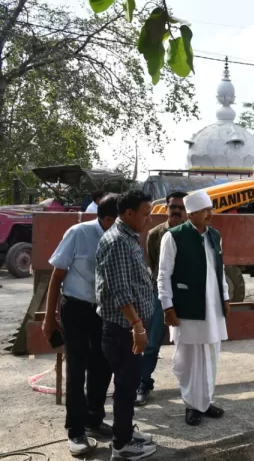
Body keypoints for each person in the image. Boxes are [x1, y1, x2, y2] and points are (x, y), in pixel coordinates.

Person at [42, 194, 119, 456]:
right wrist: (49, 317)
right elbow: (57, 276)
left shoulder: (120, 239)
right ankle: (75, 430)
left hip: (104, 311)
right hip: (75, 309)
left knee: (103, 365)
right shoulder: (78, 233)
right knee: (77, 370)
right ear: (108, 219)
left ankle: (93, 419)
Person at [158, 191, 230, 426]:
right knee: (188, 359)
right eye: (205, 210)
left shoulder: (215, 236)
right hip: (187, 307)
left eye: (211, 209)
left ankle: (205, 402)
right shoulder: (173, 237)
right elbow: (163, 275)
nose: (211, 214)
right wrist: (167, 306)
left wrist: (225, 297)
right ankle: (191, 405)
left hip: (212, 307)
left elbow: (220, 270)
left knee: (211, 355)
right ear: (192, 213)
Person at [96, 190, 156, 459]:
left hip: (129, 327)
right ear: (129, 213)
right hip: (123, 330)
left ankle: (126, 432)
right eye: (145, 214)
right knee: (125, 385)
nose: (149, 219)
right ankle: (122, 445)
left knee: (128, 384)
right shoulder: (118, 241)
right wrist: (137, 326)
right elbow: (120, 290)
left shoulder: (128, 238)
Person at [135, 191, 188, 406]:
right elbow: (155, 265)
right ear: (166, 208)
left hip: (187, 294)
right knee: (152, 340)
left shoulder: (193, 234)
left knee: (189, 342)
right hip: (161, 292)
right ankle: (143, 382)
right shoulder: (155, 234)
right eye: (172, 206)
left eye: (180, 208)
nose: (175, 211)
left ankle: (191, 387)